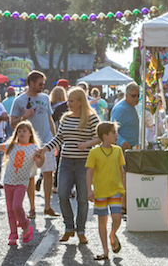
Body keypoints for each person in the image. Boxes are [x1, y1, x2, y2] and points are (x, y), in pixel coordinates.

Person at [40, 87, 100, 244]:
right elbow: (59, 138)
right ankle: (69, 227)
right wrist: (45, 148)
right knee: (62, 194)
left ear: (80, 101)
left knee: (82, 198)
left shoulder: (92, 118)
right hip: (65, 161)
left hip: (84, 163)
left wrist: (87, 143)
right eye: (68, 100)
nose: (68, 103)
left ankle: (80, 230)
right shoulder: (65, 118)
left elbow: (99, 137)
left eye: (71, 100)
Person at [11, 70, 58, 218]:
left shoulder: (45, 97)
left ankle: (48, 206)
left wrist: (55, 139)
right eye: (40, 83)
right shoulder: (19, 100)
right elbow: (12, 124)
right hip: (28, 144)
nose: (42, 86)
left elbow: (50, 119)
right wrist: (24, 116)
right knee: (30, 176)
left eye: (43, 83)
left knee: (48, 173)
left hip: (46, 142)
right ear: (31, 83)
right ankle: (32, 208)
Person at [86, 122, 126, 261]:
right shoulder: (94, 152)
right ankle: (105, 250)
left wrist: (124, 188)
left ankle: (112, 234)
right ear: (105, 136)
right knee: (102, 221)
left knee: (117, 218)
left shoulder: (118, 150)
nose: (116, 135)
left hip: (115, 189)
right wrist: (89, 190)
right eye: (113, 133)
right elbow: (89, 172)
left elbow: (122, 170)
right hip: (100, 191)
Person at [110, 82, 140, 150]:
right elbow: (112, 129)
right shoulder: (120, 109)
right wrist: (122, 142)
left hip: (132, 148)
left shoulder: (131, 106)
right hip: (122, 149)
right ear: (126, 95)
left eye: (138, 96)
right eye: (133, 96)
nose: (136, 98)